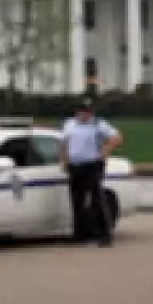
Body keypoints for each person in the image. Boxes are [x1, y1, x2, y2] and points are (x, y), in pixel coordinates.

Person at [58, 98, 124, 247]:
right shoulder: (69, 124)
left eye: (88, 111)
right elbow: (63, 143)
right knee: (77, 201)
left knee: (97, 200)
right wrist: (64, 160)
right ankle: (79, 235)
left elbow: (117, 138)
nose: (85, 114)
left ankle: (105, 235)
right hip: (75, 166)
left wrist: (106, 150)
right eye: (82, 111)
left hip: (92, 165)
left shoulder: (98, 124)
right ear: (77, 111)